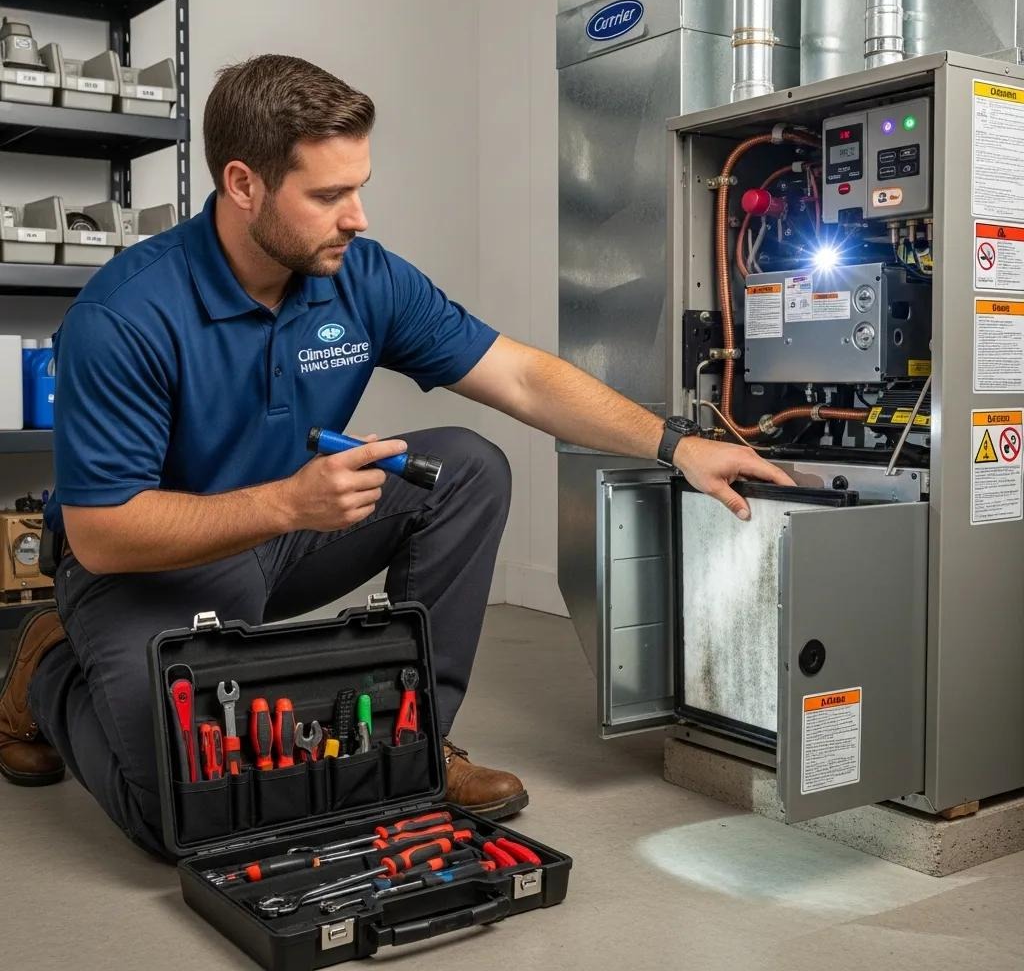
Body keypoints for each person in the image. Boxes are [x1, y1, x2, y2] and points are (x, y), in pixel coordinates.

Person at [0, 55, 791, 857]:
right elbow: (102, 532)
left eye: (359, 187)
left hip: (282, 536)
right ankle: (47, 668)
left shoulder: (358, 276)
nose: (358, 217)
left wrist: (679, 444)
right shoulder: (128, 314)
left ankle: (416, 745)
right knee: (179, 822)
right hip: (145, 570)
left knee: (467, 467)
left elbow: (518, 376)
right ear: (243, 185)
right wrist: (284, 504)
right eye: (328, 195)